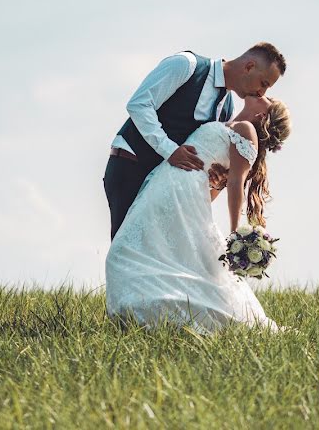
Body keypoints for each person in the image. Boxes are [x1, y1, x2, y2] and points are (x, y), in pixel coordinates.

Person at [105, 95, 292, 334]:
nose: (263, 93)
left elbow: (236, 182)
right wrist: (215, 179)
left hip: (179, 190)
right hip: (169, 184)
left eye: (268, 98)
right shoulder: (228, 120)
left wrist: (235, 233)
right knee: (152, 251)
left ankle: (149, 313)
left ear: (262, 116)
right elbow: (217, 184)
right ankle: (145, 313)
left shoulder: (246, 130)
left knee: (125, 252)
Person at [104, 43, 286, 241]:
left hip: (163, 184)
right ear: (249, 67)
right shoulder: (186, 65)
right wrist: (170, 150)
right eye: (264, 83)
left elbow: (199, 148)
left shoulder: (227, 108)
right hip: (132, 163)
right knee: (127, 250)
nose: (262, 92)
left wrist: (213, 174)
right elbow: (139, 104)